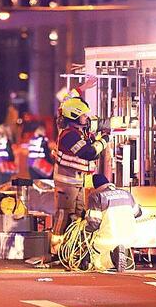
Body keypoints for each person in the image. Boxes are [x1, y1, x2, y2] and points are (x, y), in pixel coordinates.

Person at [53, 75, 109, 236]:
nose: (87, 118)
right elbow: (89, 153)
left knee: (79, 215)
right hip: (67, 183)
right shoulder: (70, 135)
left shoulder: (77, 128)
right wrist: (104, 140)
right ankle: (57, 245)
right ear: (74, 116)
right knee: (64, 215)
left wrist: (84, 87)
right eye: (84, 115)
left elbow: (67, 99)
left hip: (78, 182)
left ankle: (72, 244)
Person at [84, 174, 142, 271]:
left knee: (96, 255)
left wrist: (84, 229)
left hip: (108, 239)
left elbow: (94, 223)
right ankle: (122, 256)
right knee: (123, 248)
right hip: (129, 238)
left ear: (95, 186)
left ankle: (113, 258)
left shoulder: (96, 196)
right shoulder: (126, 193)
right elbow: (138, 213)